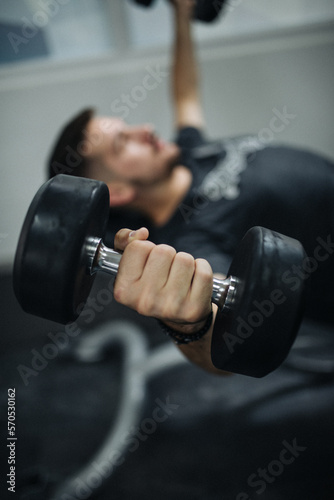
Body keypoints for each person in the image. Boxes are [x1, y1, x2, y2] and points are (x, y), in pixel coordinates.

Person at [47, 0, 334, 374]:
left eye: (129, 125)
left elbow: (186, 92)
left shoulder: (189, 152)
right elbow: (219, 354)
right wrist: (187, 325)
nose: (146, 129)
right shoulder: (191, 242)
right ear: (115, 190)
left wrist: (181, 15)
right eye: (123, 142)